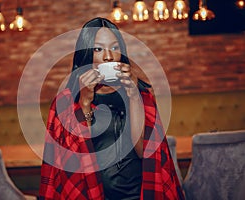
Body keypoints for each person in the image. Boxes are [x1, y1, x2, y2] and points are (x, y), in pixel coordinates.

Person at [39, 17, 184, 200]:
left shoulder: (141, 95)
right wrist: (84, 102)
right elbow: (75, 159)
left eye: (114, 48)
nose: (108, 56)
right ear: (86, 53)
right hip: (92, 194)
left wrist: (133, 96)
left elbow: (144, 152)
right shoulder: (67, 102)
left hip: (141, 194)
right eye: (98, 49)